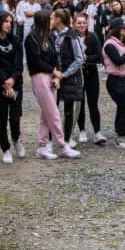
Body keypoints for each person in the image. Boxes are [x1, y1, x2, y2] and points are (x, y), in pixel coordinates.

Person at [25, 9, 79, 159]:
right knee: (54, 113)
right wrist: (53, 71)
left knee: (46, 114)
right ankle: (62, 145)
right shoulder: (31, 38)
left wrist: (56, 75)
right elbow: (36, 61)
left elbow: (56, 57)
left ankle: (42, 146)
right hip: (39, 76)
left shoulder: (49, 36)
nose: (52, 21)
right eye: (50, 19)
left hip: (51, 76)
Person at [0, 10, 25, 164]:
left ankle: (16, 139)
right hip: (0, 85)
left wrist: (13, 80)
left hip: (15, 82)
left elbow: (18, 62)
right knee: (2, 117)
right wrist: (4, 82)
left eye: (11, 22)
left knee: (15, 116)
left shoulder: (15, 40)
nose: (8, 25)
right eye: (6, 21)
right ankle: (5, 148)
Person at [102, 16, 125, 150]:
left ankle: (120, 134)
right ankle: (121, 137)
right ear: (116, 30)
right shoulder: (110, 44)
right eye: (123, 28)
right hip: (117, 81)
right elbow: (118, 60)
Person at [53, 8, 86, 147]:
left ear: (59, 19)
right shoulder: (52, 34)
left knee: (69, 109)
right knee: (53, 108)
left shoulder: (72, 36)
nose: (51, 20)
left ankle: (66, 139)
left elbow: (79, 59)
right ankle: (52, 138)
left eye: (53, 17)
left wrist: (64, 74)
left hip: (70, 78)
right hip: (54, 76)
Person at [73, 13, 106, 144]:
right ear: (74, 24)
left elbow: (99, 56)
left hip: (91, 72)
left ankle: (97, 132)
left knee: (93, 103)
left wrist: (87, 58)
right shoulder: (71, 37)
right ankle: (81, 130)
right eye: (79, 23)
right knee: (79, 104)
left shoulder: (93, 37)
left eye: (84, 23)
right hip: (77, 74)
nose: (81, 25)